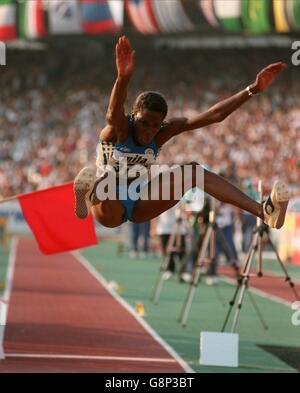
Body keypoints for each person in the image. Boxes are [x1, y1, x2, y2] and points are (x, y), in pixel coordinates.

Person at [74, 36, 289, 231]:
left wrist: (252, 89)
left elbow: (213, 115)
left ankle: (264, 212)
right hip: (107, 206)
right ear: (133, 116)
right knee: (108, 177)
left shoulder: (163, 132)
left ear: (162, 124)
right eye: (144, 123)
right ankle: (89, 195)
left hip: (140, 202)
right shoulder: (119, 129)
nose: (149, 130)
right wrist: (122, 78)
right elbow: (113, 112)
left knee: (193, 172)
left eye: (155, 125)